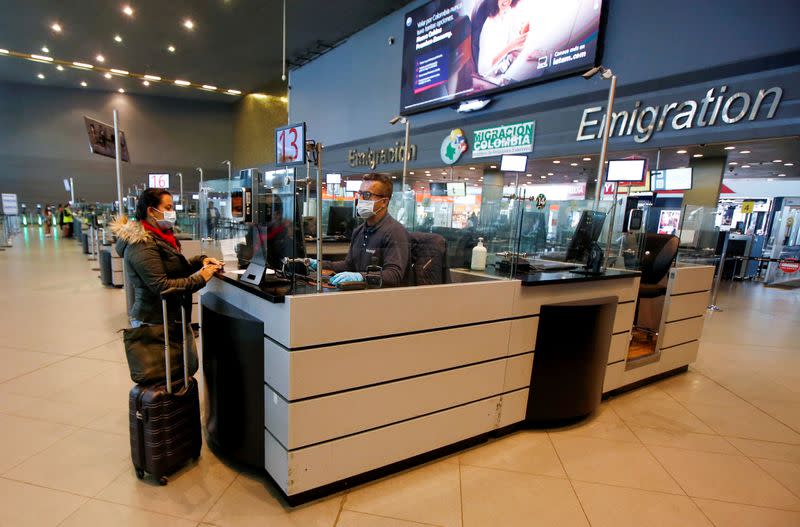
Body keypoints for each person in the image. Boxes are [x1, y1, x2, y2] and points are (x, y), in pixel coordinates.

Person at [112, 188, 223, 327]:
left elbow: (174, 270)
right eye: (168, 208)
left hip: (172, 318)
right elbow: (162, 286)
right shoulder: (142, 244)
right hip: (155, 322)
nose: (172, 213)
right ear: (151, 211)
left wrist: (200, 261)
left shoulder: (161, 237)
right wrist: (200, 279)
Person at [310, 173, 410, 288]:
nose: (360, 199)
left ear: (384, 202)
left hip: (383, 299)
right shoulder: (359, 231)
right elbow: (349, 265)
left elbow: (394, 275)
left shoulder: (395, 232)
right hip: (360, 295)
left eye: (367, 195)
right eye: (360, 194)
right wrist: (319, 264)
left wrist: (361, 276)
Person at [477, 0, 529, 79]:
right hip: (495, 78)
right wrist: (509, 48)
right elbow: (483, 70)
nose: (506, 1)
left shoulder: (507, 13)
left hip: (508, 66)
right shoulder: (489, 25)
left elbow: (515, 41)